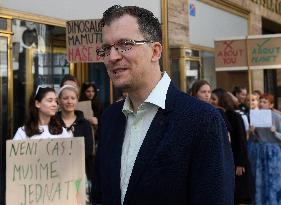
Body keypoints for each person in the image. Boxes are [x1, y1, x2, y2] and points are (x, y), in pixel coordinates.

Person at [93, 5, 234, 205]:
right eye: (107, 48)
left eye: (124, 44)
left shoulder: (204, 120)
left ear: (155, 51)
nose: (112, 57)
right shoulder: (109, 118)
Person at [212, 88, 254, 205]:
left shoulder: (234, 116)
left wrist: (240, 163)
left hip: (237, 159)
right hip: (227, 159)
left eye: (214, 99)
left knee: (239, 192)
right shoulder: (215, 114)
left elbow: (241, 140)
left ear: (221, 100)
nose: (211, 101)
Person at [56, 85, 94, 205]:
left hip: (79, 172)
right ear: (59, 100)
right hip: (55, 173)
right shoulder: (52, 123)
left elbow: (88, 149)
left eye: (73, 98)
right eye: (65, 98)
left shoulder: (85, 124)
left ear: (77, 100)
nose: (69, 101)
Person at [248, 93, 281, 205]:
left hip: (273, 151)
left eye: (264, 102)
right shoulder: (254, 115)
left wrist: (275, 132)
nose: (261, 104)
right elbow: (252, 138)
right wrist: (251, 131)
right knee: (258, 178)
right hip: (259, 150)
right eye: (260, 101)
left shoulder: (277, 117)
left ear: (271, 105)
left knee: (274, 179)